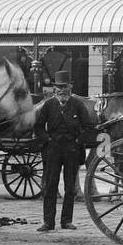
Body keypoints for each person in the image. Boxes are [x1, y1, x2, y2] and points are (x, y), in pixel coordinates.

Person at [37, 70, 89, 232]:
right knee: (50, 185)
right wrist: (47, 140)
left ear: (70, 88)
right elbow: (38, 127)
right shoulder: (48, 105)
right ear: (54, 89)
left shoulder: (78, 104)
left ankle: (66, 221)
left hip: (72, 150)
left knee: (70, 187)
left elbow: (88, 128)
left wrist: (78, 141)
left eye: (65, 87)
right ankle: (48, 222)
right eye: (59, 87)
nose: (62, 91)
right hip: (53, 150)